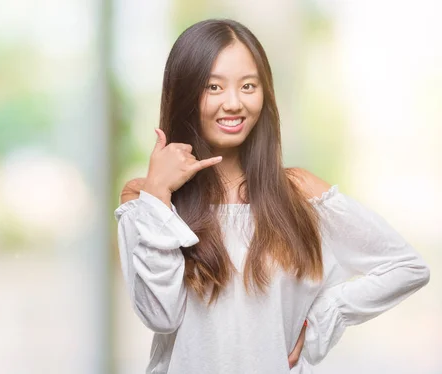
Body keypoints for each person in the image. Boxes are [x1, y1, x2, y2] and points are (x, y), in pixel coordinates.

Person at [114, 19, 430, 374]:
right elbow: (161, 316)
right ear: (185, 94)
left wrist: (324, 315)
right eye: (213, 87)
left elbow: (407, 267)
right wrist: (158, 193)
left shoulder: (298, 193)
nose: (233, 103)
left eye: (248, 86)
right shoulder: (145, 201)